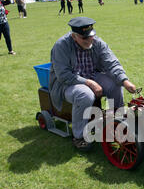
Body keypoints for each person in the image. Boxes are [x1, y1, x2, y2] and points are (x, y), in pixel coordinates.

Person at [49, 17, 137, 151]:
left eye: (91, 36)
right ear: (74, 36)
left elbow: (111, 63)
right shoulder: (61, 46)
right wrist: (88, 82)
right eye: (84, 38)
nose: (89, 40)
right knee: (85, 95)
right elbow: (63, 75)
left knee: (115, 85)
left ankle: (118, 121)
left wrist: (125, 81)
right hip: (67, 83)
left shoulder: (97, 42)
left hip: (92, 74)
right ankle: (79, 136)